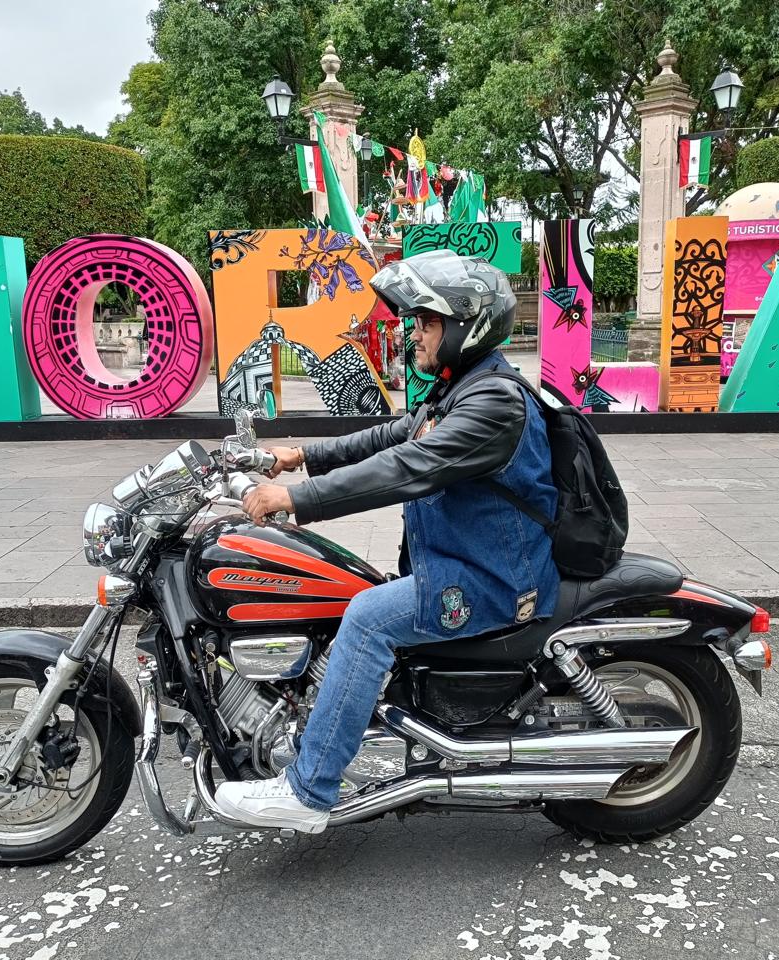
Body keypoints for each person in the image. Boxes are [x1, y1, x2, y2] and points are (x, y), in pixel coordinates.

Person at [216, 250, 561, 833]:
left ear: (467, 325)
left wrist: (297, 499)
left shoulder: (494, 404)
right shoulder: (464, 389)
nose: (414, 332)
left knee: (368, 618)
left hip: (495, 580)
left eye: (427, 322)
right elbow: (391, 436)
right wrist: (298, 455)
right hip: (464, 560)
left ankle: (309, 789)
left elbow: (405, 467)